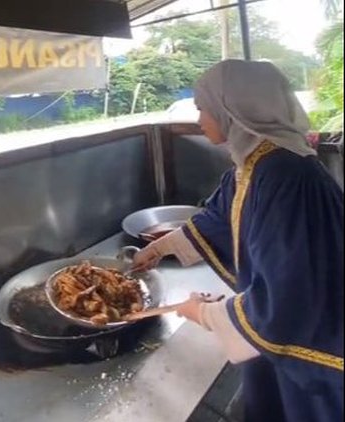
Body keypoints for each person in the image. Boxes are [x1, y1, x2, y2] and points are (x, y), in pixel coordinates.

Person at [132, 60, 344, 422]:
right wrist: (159, 247)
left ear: (232, 109)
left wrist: (206, 313)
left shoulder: (286, 176)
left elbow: (289, 295)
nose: (199, 118)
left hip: (315, 344)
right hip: (282, 338)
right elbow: (218, 217)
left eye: (203, 107)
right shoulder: (255, 164)